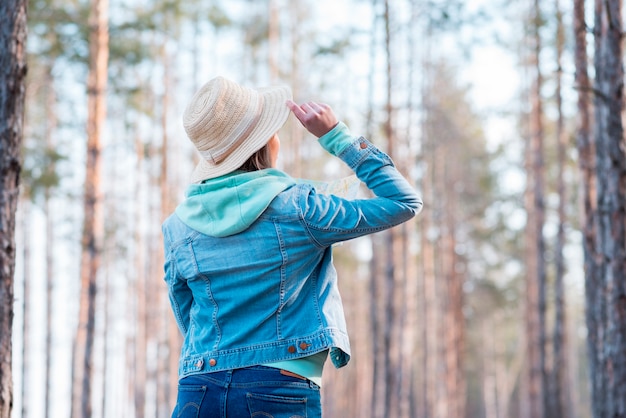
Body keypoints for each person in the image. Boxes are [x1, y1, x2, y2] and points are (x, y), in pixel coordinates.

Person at [162, 76, 423, 418]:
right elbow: (403, 201)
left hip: (198, 386)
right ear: (267, 142)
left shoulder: (177, 225)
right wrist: (337, 136)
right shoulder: (299, 208)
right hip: (277, 386)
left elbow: (186, 311)